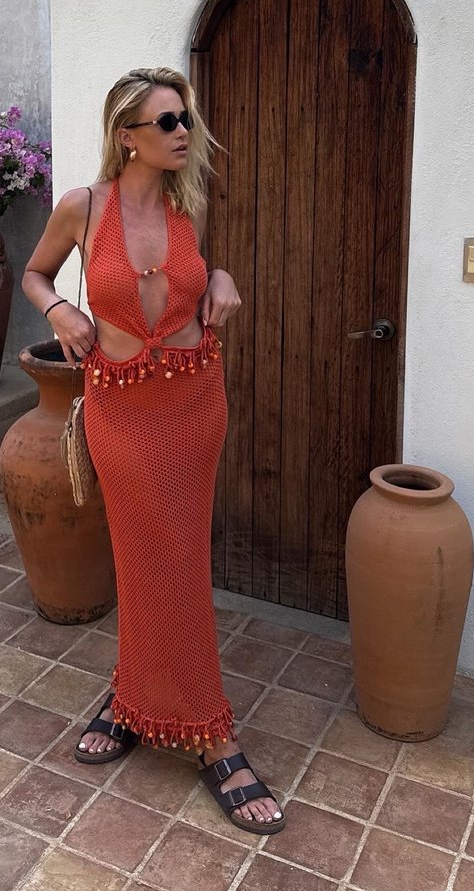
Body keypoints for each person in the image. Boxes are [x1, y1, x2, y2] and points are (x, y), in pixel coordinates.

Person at [22, 67, 285, 834]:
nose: (182, 133)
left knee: (179, 559)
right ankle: (180, 720)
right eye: (167, 121)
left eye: (185, 120)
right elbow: (34, 273)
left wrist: (225, 278)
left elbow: (199, 281)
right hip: (120, 410)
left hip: (193, 401)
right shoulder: (82, 207)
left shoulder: (184, 208)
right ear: (125, 135)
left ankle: (198, 728)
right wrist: (61, 305)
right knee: (147, 557)